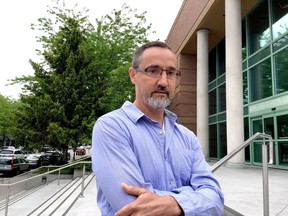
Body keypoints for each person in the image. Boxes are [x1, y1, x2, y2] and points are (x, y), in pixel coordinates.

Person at [92, 41, 224, 215]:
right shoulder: (111, 127)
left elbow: (215, 199)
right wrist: (192, 198)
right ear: (133, 75)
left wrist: (174, 204)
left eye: (171, 73)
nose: (163, 81)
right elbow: (132, 207)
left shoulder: (188, 137)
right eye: (153, 71)